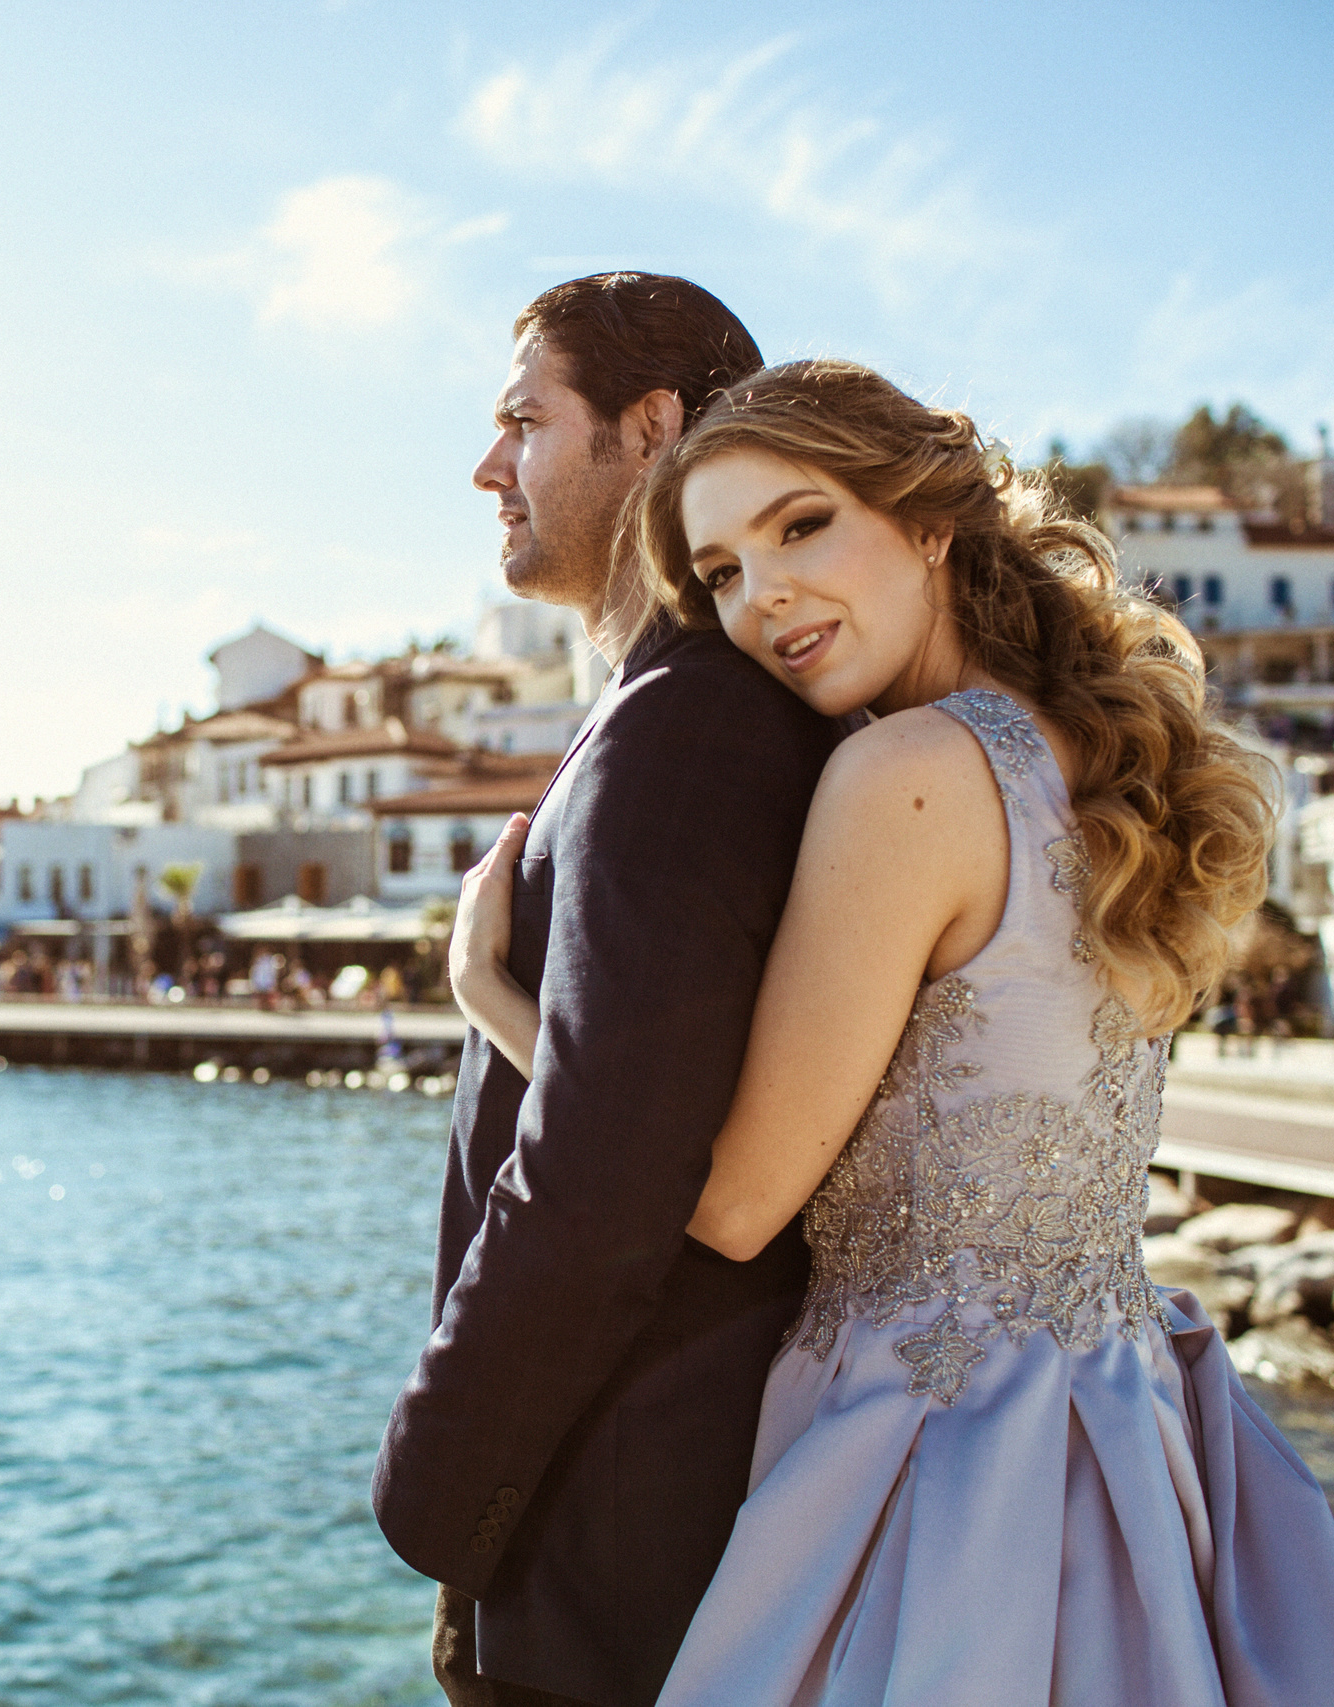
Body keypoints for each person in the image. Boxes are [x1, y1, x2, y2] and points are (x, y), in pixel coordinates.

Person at [452, 360, 1334, 1703]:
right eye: (718, 574)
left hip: (937, 1462)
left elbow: (730, 1203)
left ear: (929, 523)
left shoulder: (901, 777)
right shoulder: (1082, 757)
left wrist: (491, 999)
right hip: (1122, 1421)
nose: (761, 597)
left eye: (801, 525)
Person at [371, 274, 842, 1707]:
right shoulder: (684, 709)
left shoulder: (685, 724)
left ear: (652, 428)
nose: (487, 466)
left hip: (612, 1544)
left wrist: (433, 1490)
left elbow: (605, 1177)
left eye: (525, 419)